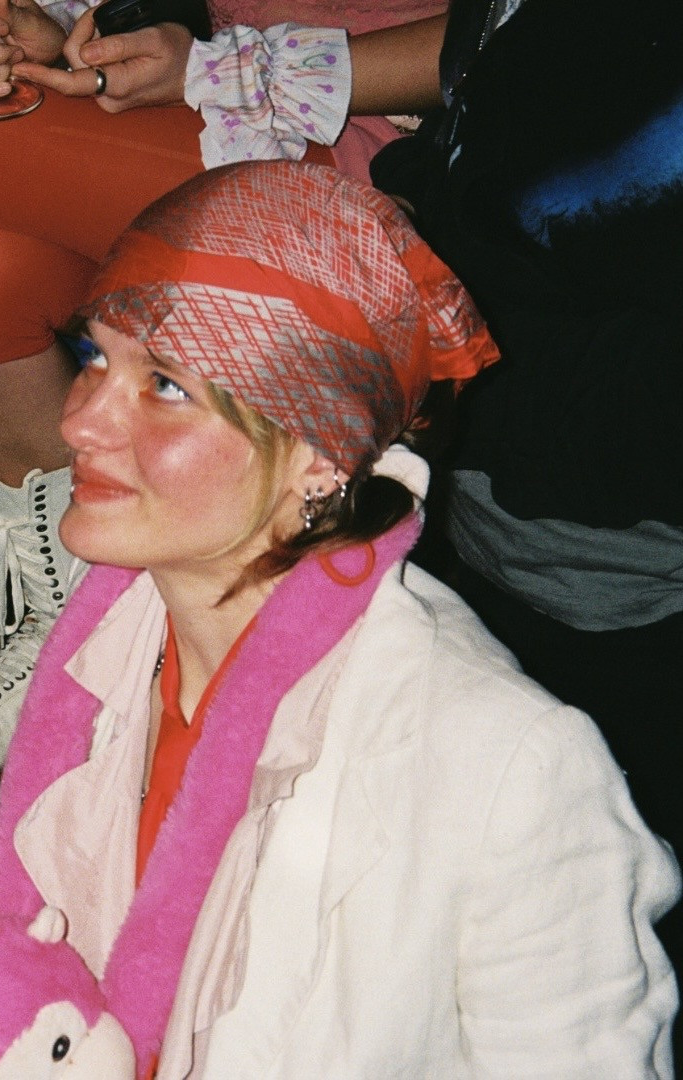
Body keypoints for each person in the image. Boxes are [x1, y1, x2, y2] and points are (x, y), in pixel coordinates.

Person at [0, 161, 677, 1077]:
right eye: (96, 361)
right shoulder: (121, 630)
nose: (79, 422)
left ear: (317, 457)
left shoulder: (508, 766)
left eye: (163, 387)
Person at [0, 0, 449, 784]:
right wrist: (87, 44)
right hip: (217, 104)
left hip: (394, 158)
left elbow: (513, 40)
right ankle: (78, 614)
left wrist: (221, 69)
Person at [367, 0, 683, 1025]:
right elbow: (487, 104)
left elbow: (636, 414)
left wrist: (437, 358)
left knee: (592, 949)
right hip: (485, 521)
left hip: (613, 595)